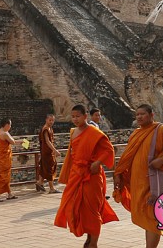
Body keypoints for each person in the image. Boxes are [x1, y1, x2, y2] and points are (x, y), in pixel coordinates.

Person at [112, 104, 163, 248]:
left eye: (142, 114)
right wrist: (119, 173)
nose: (139, 117)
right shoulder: (136, 134)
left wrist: (162, 160)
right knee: (158, 215)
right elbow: (127, 157)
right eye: (137, 114)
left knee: (152, 216)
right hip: (138, 183)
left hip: (155, 184)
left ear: (152, 115)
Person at [54, 104, 118, 248]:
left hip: (92, 175)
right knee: (74, 206)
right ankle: (88, 238)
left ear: (85, 116)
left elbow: (109, 151)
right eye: (73, 116)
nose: (75, 119)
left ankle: (93, 242)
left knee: (92, 210)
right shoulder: (73, 132)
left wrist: (97, 163)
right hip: (76, 174)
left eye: (78, 116)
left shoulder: (94, 132)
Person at [0, 118, 18, 201]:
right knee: (3, 176)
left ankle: (9, 193)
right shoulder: (5, 133)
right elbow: (12, 141)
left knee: (3, 175)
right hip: (4, 158)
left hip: (1, 156)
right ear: (6, 125)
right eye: (9, 125)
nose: (10, 127)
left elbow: (10, 141)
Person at [36, 113, 60, 193]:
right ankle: (52, 188)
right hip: (47, 152)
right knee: (50, 168)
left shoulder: (50, 128)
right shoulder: (45, 129)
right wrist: (55, 150)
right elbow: (47, 141)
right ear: (46, 120)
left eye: (53, 120)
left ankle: (39, 183)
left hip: (47, 151)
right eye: (50, 120)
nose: (51, 122)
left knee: (44, 168)